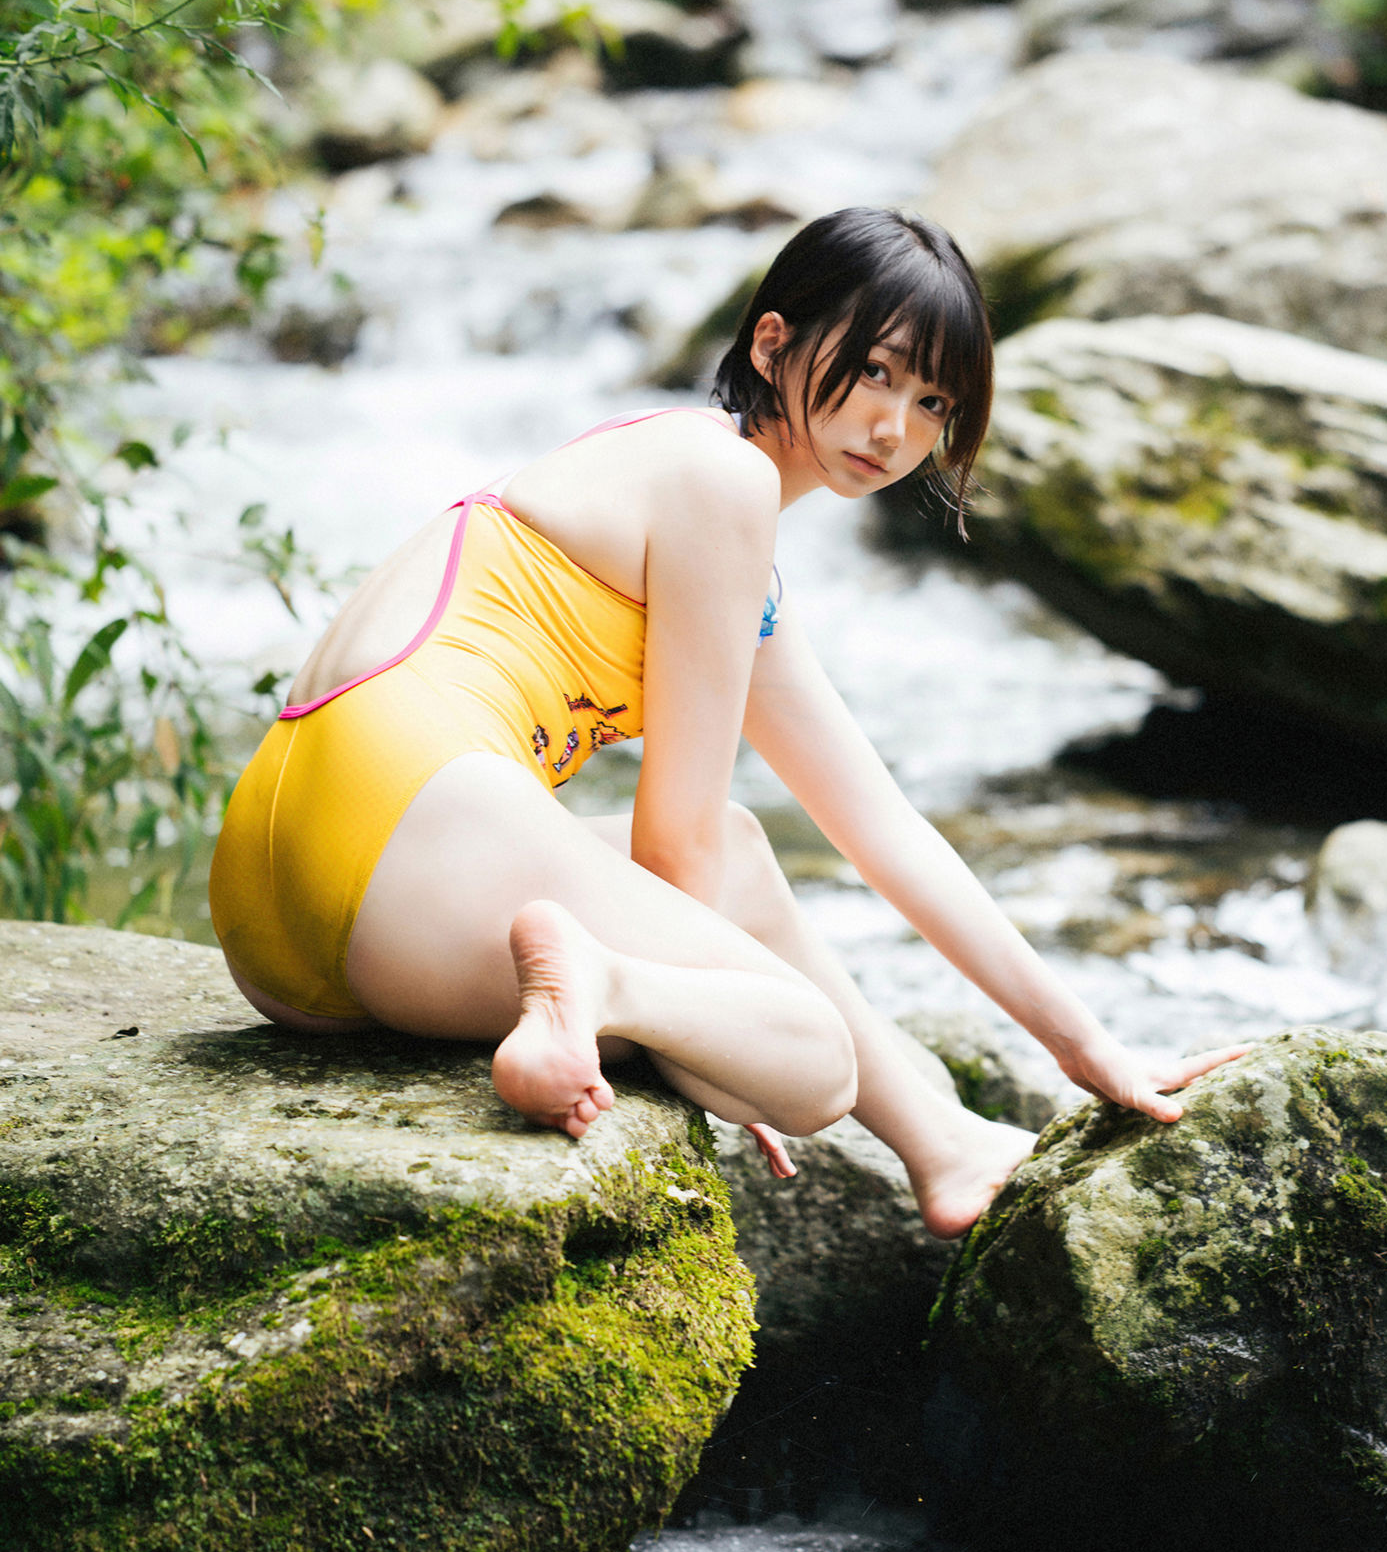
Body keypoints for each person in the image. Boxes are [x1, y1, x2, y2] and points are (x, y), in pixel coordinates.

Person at [209, 207, 1245, 1237]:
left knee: (748, 858)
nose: (895, 427)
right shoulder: (726, 481)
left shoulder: (678, 478)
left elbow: (882, 828)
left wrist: (1085, 1048)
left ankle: (945, 1144)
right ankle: (604, 982)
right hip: (409, 824)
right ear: (771, 344)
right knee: (812, 1063)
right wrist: (713, 1026)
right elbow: (676, 842)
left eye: (934, 400)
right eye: (875, 372)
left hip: (280, 914)